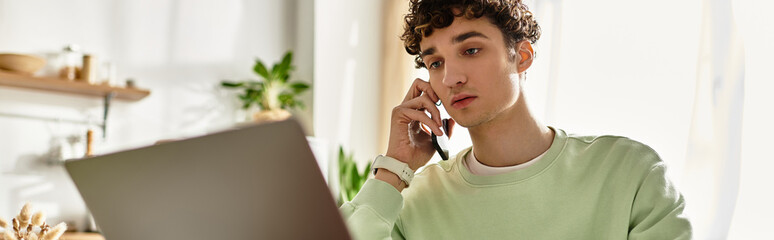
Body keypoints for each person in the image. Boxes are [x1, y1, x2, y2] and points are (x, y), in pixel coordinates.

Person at [339, 0, 692, 239]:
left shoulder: (629, 173)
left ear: (522, 56)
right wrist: (394, 168)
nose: (450, 78)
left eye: (471, 50)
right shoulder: (414, 202)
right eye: (436, 63)